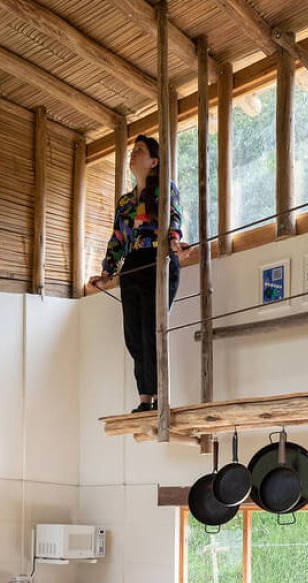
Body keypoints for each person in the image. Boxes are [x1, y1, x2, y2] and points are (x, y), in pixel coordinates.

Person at [89, 135, 184, 413]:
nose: (133, 153)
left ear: (154, 161)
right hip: (132, 267)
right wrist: (107, 272)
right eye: (132, 149)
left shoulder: (164, 190)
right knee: (133, 334)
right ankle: (145, 398)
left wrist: (176, 241)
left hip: (159, 262)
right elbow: (118, 239)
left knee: (152, 331)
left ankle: (159, 397)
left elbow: (174, 219)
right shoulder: (125, 203)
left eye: (140, 150)